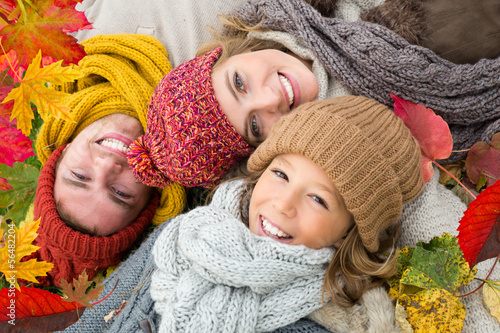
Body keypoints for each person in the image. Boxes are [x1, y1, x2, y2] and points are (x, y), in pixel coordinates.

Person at [126, 0, 500, 191]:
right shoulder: (357, 131)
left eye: (239, 83)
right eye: (255, 125)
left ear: (230, 54)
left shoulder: (287, 10)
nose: (269, 98)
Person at [26, 34, 186, 287]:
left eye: (80, 176)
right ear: (152, 194)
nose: (106, 166)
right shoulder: (222, 108)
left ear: (63, 151)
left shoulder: (73, 38)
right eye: (120, 192)